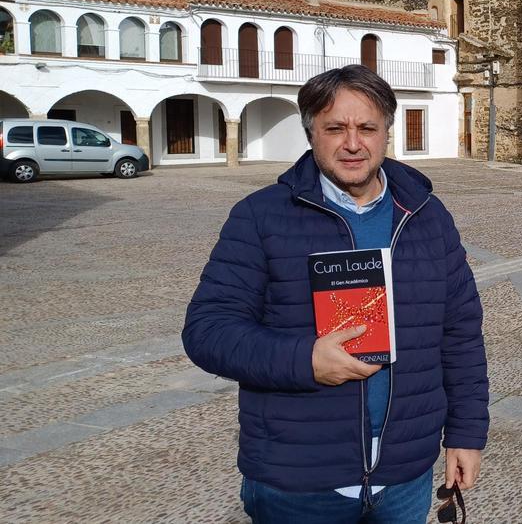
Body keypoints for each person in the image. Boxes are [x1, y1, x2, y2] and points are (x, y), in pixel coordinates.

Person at [183, 65, 488, 523]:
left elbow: (460, 332)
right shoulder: (259, 217)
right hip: (298, 478)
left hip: (405, 473)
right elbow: (208, 331)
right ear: (311, 133)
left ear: (387, 132)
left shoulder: (426, 215)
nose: (352, 143)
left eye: (367, 127)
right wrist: (304, 360)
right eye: (335, 128)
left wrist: (465, 434)